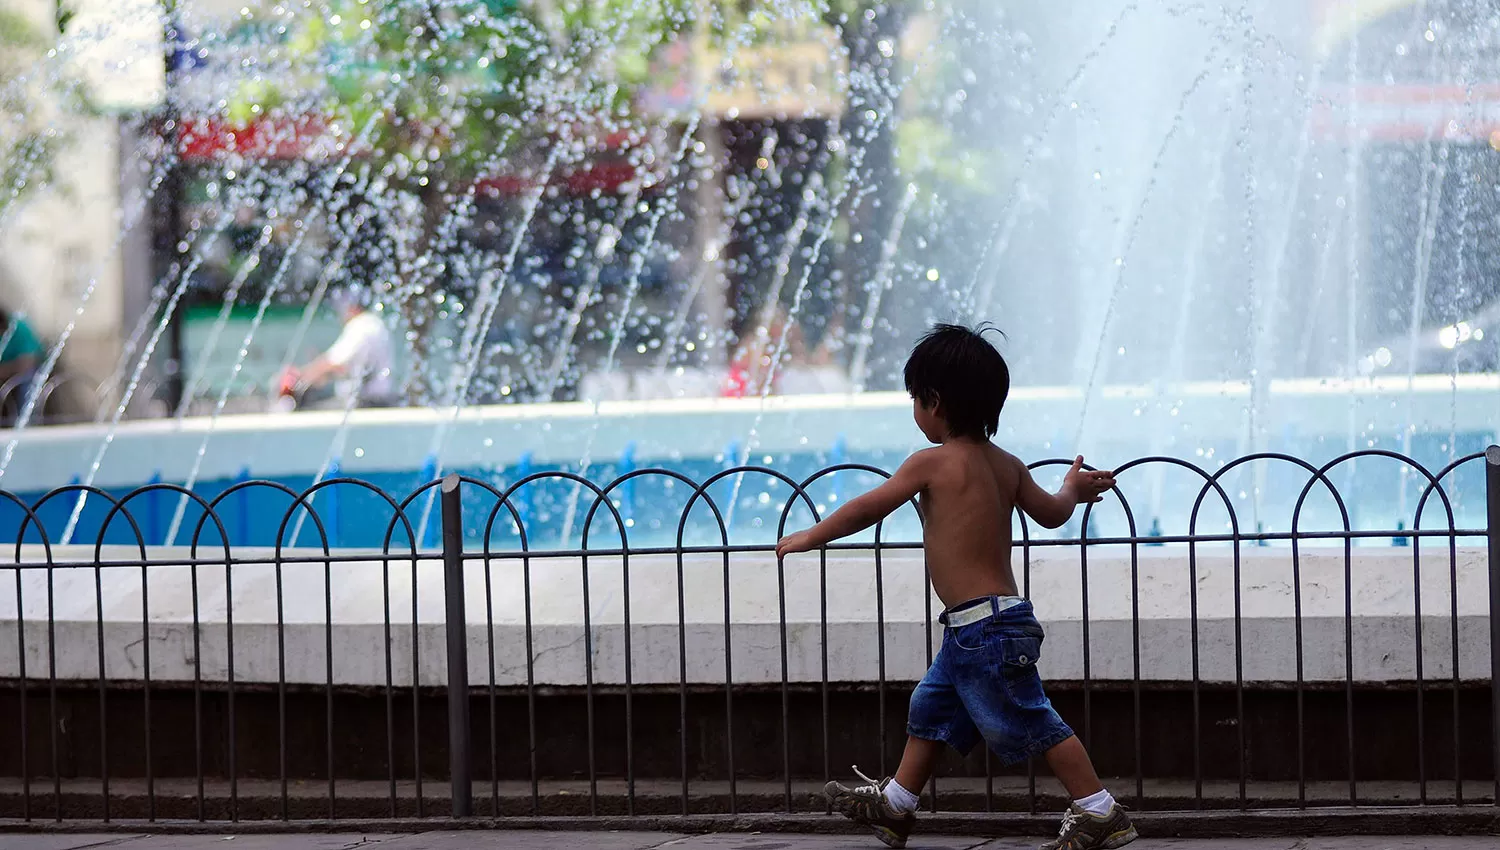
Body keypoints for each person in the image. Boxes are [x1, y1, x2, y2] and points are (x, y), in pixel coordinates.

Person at [775, 323, 1131, 850]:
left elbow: (870, 506)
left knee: (1031, 715)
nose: (914, 410)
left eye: (915, 399)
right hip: (988, 622)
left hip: (983, 627)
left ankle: (1098, 809)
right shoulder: (1007, 465)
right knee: (932, 707)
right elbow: (1052, 514)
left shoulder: (932, 463)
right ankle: (896, 805)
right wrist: (1072, 489)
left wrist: (813, 535)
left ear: (934, 402)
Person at [276, 287, 394, 410]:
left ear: (352, 307)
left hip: (367, 404)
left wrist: (299, 376)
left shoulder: (361, 325)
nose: (341, 315)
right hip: (375, 400)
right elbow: (344, 367)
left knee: (312, 411)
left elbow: (333, 361)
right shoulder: (374, 324)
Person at [0, 307, 44, 404]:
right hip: (7, 369)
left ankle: (27, 415)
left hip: (31, 368)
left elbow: (27, 362)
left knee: (27, 383)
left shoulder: (19, 327)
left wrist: (5, 370)